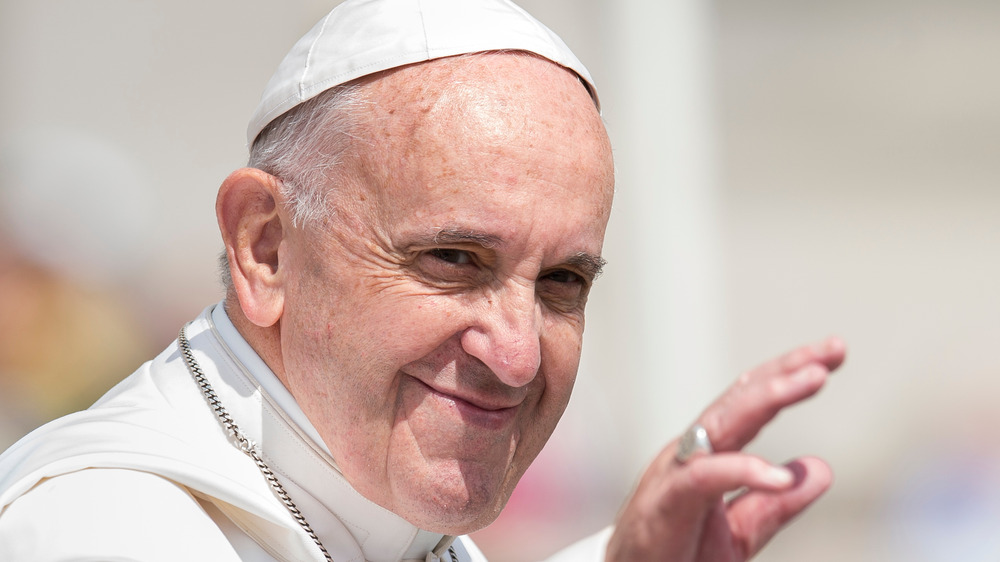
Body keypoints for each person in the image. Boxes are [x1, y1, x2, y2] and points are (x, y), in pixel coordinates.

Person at [0, 0, 847, 560]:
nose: (516, 357)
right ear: (265, 249)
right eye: (453, 260)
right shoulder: (100, 531)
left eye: (561, 282)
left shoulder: (369, 508)